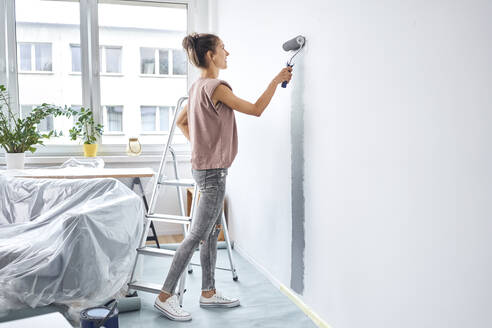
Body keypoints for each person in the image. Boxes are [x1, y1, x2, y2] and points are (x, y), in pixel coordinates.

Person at [154, 32, 293, 321]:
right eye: (223, 48)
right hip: (213, 174)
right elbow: (255, 109)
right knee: (196, 236)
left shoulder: (197, 87)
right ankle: (165, 296)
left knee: (209, 234)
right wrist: (276, 79)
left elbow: (181, 122)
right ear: (210, 55)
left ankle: (208, 292)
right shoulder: (217, 87)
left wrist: (201, 147)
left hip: (204, 168)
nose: (227, 53)